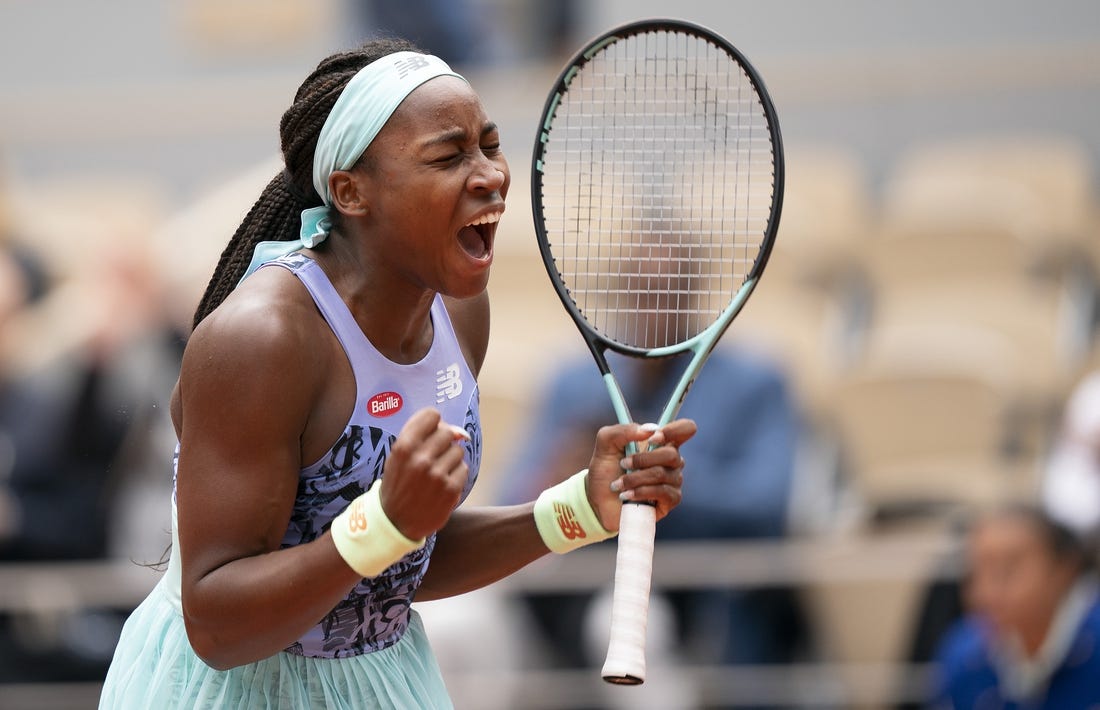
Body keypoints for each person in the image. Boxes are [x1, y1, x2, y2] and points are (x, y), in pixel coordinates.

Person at [98, 37, 695, 709]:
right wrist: (382, 524)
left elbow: (401, 563)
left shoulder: (462, 313)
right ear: (351, 192)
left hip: (381, 676)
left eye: (489, 146)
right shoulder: (262, 340)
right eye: (447, 155)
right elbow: (217, 622)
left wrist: (581, 507)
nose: (489, 175)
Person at [496, 344, 809, 683]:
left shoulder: (756, 382)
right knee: (460, 623)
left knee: (628, 628)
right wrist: (567, 477)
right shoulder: (568, 382)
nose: (654, 294)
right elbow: (514, 497)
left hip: (697, 597)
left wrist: (660, 477)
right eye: (640, 290)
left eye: (669, 289)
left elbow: (766, 505)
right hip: (569, 596)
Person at [931, 503, 1100, 709]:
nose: (988, 590)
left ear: (1064, 569)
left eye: (1007, 569)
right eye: (976, 572)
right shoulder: (963, 651)